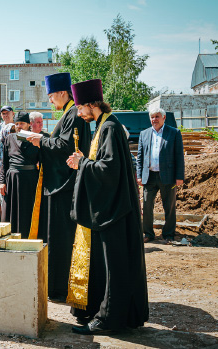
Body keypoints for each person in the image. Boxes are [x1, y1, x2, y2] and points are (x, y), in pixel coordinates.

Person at [66, 79, 148, 335]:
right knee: (116, 265)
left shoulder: (109, 127)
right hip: (113, 208)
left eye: (80, 107)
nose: (79, 113)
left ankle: (109, 320)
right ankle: (114, 316)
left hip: (114, 210)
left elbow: (109, 169)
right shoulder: (104, 124)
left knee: (116, 266)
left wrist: (82, 163)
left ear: (92, 104)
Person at [26, 72, 92, 303]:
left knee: (62, 238)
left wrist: (40, 141)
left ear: (63, 93)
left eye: (51, 96)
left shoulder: (73, 113)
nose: (50, 101)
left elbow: (65, 146)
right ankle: (56, 284)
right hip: (61, 184)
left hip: (64, 187)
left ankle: (61, 287)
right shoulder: (69, 113)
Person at [137, 107, 184, 243]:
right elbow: (140, 157)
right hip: (149, 176)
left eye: (157, 117)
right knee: (146, 206)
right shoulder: (144, 134)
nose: (154, 120)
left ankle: (168, 234)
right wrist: (139, 175)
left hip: (168, 176)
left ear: (164, 118)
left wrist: (179, 176)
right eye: (152, 117)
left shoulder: (174, 133)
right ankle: (148, 234)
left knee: (169, 207)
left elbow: (179, 156)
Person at [0, 112, 40, 237]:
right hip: (12, 179)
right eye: (16, 124)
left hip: (30, 180)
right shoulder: (9, 139)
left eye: (22, 123)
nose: (19, 126)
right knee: (11, 211)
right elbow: (4, 162)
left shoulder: (37, 138)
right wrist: (2, 182)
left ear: (29, 125)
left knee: (27, 211)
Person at [29, 110, 50, 243]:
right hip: (30, 177)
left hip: (43, 177)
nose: (40, 125)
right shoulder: (27, 137)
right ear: (31, 124)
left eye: (41, 122)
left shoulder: (46, 136)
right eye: (37, 122)